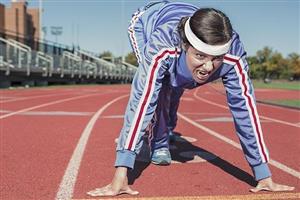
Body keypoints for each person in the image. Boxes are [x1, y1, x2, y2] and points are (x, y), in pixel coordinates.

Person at [87, 1, 294, 197]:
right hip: (146, 22)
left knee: (178, 85)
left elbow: (246, 111)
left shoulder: (234, 56)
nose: (208, 68)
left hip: (185, 23)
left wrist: (263, 174)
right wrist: (121, 172)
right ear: (186, 45)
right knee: (159, 88)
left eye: (216, 59)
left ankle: (167, 128)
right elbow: (142, 101)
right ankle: (158, 142)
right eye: (200, 56)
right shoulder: (162, 45)